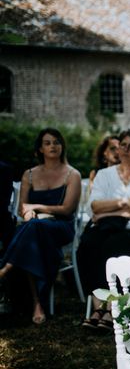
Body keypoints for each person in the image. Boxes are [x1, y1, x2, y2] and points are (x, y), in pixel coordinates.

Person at [77, 128, 130, 330]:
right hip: (105, 226)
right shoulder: (105, 175)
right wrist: (126, 202)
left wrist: (108, 209)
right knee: (87, 246)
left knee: (112, 246)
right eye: (123, 145)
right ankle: (98, 307)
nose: (125, 150)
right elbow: (94, 206)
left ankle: (111, 308)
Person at [0, 128, 81, 324]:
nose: (53, 146)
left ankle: (4, 269)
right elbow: (23, 209)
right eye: (47, 143)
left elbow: (67, 210)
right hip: (35, 228)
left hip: (60, 227)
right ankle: (37, 303)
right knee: (32, 231)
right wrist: (29, 213)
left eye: (56, 142)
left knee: (32, 229)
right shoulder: (29, 175)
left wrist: (36, 207)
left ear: (62, 146)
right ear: (40, 149)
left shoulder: (72, 174)